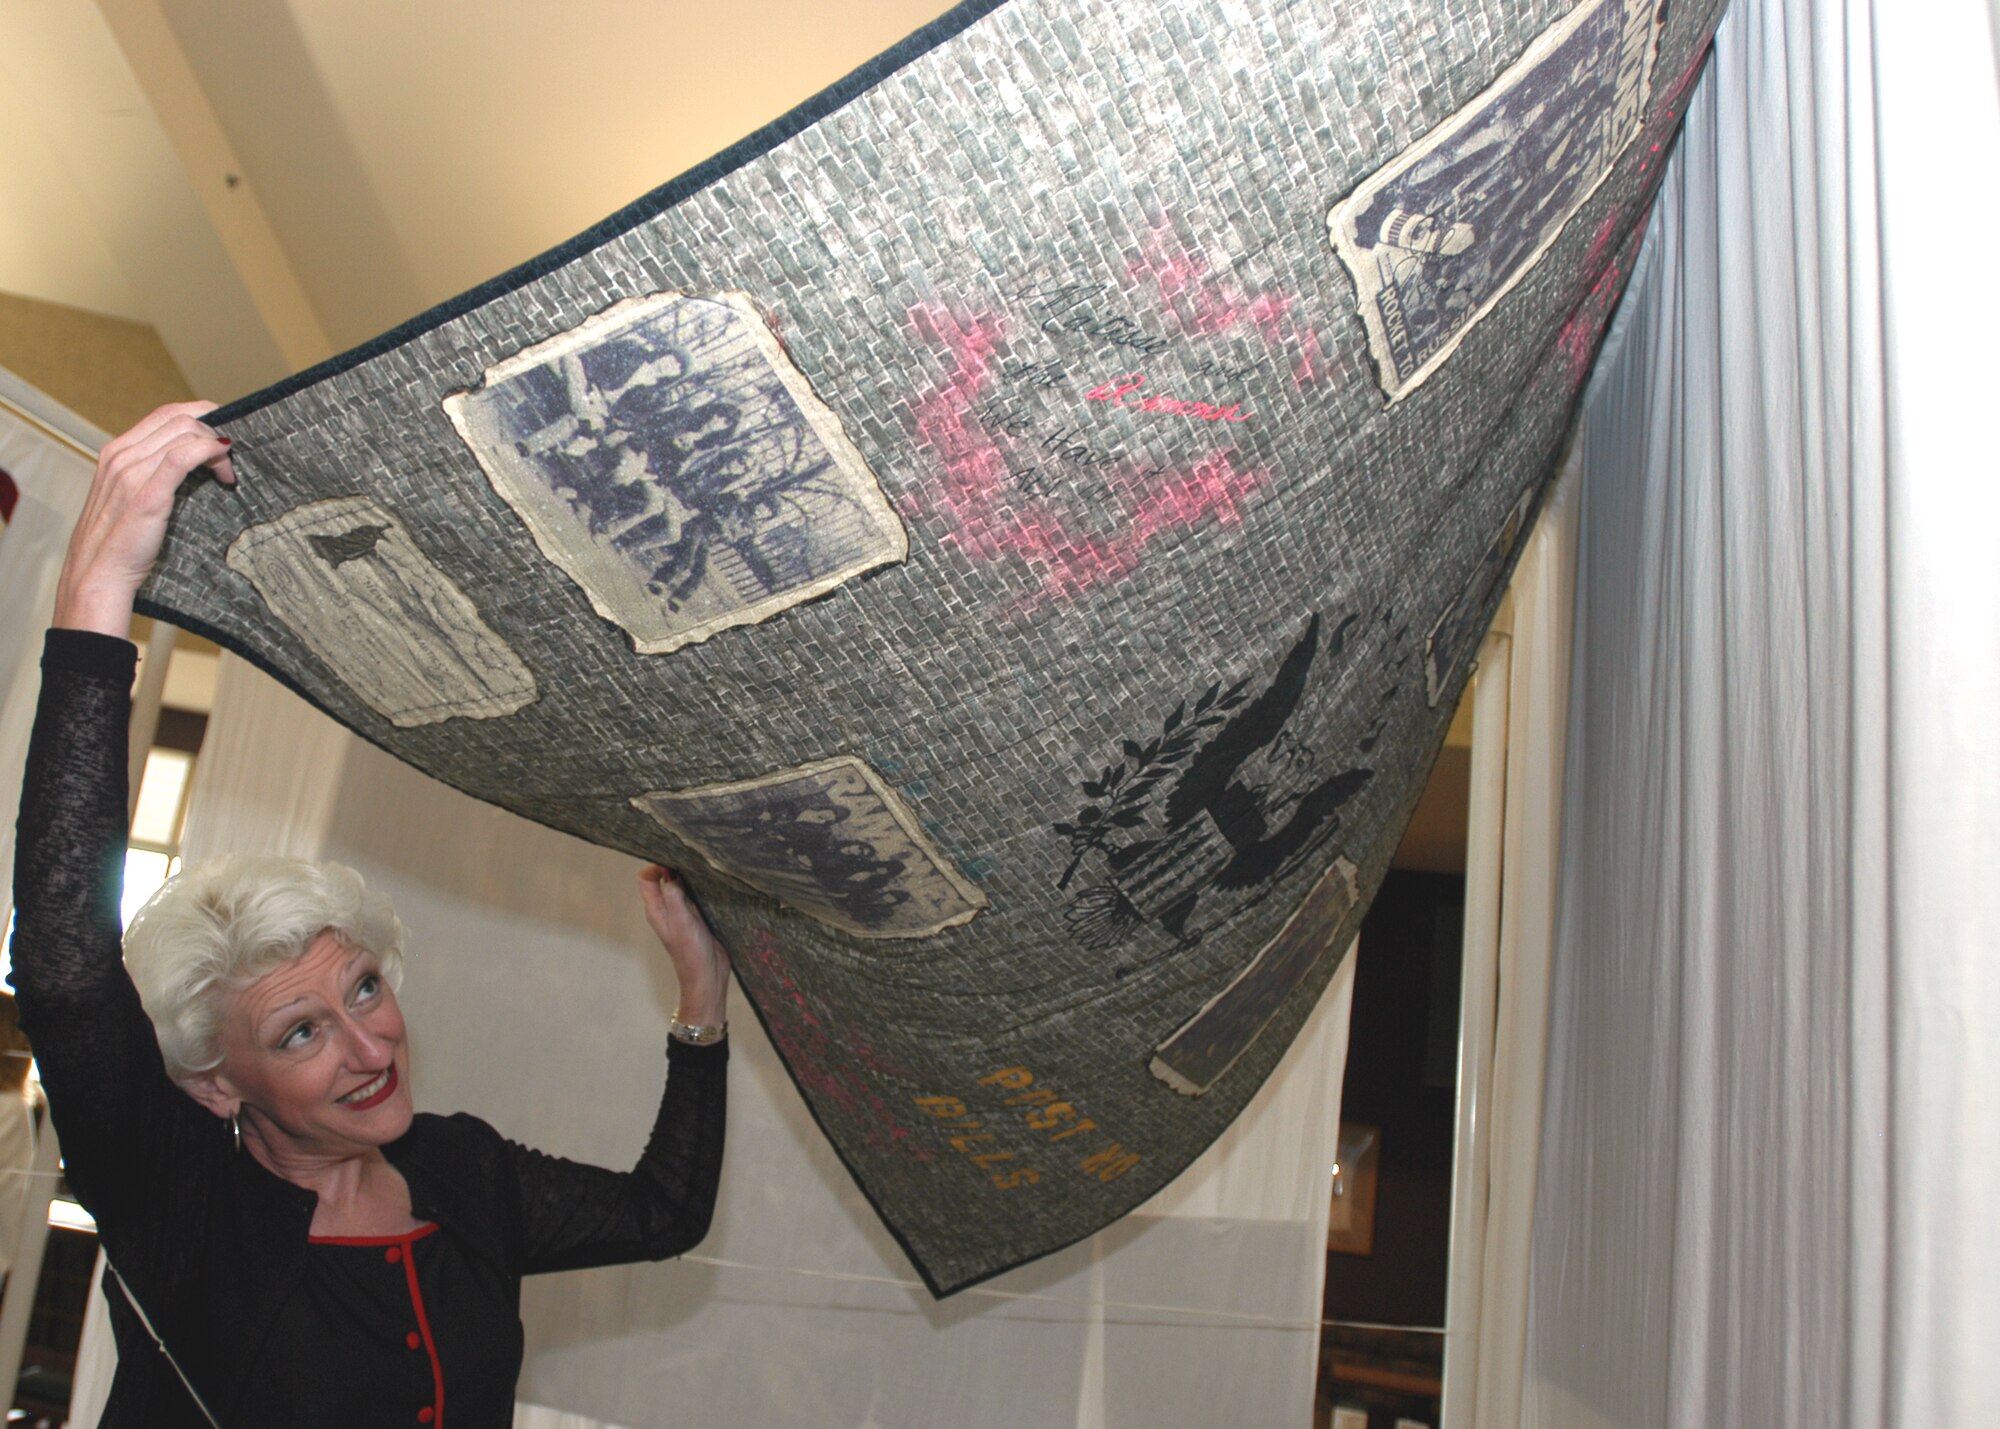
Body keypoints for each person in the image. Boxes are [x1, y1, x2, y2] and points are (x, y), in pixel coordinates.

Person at [9, 401, 731, 1425]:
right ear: (218, 1085)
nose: (368, 1044)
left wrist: (699, 999)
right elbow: (66, 965)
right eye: (300, 1030)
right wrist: (97, 591)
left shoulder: (461, 1171)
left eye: (362, 987)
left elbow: (664, 1212)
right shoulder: (185, 1205)